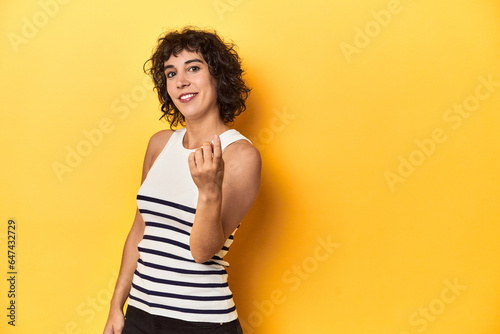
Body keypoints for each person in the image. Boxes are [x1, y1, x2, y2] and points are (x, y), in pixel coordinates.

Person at [103, 27, 261, 334]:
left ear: (217, 75)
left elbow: (203, 252)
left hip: (200, 322)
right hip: (139, 314)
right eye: (171, 73)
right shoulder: (160, 145)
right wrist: (116, 305)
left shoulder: (240, 156)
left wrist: (209, 192)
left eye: (193, 68)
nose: (181, 81)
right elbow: (139, 229)